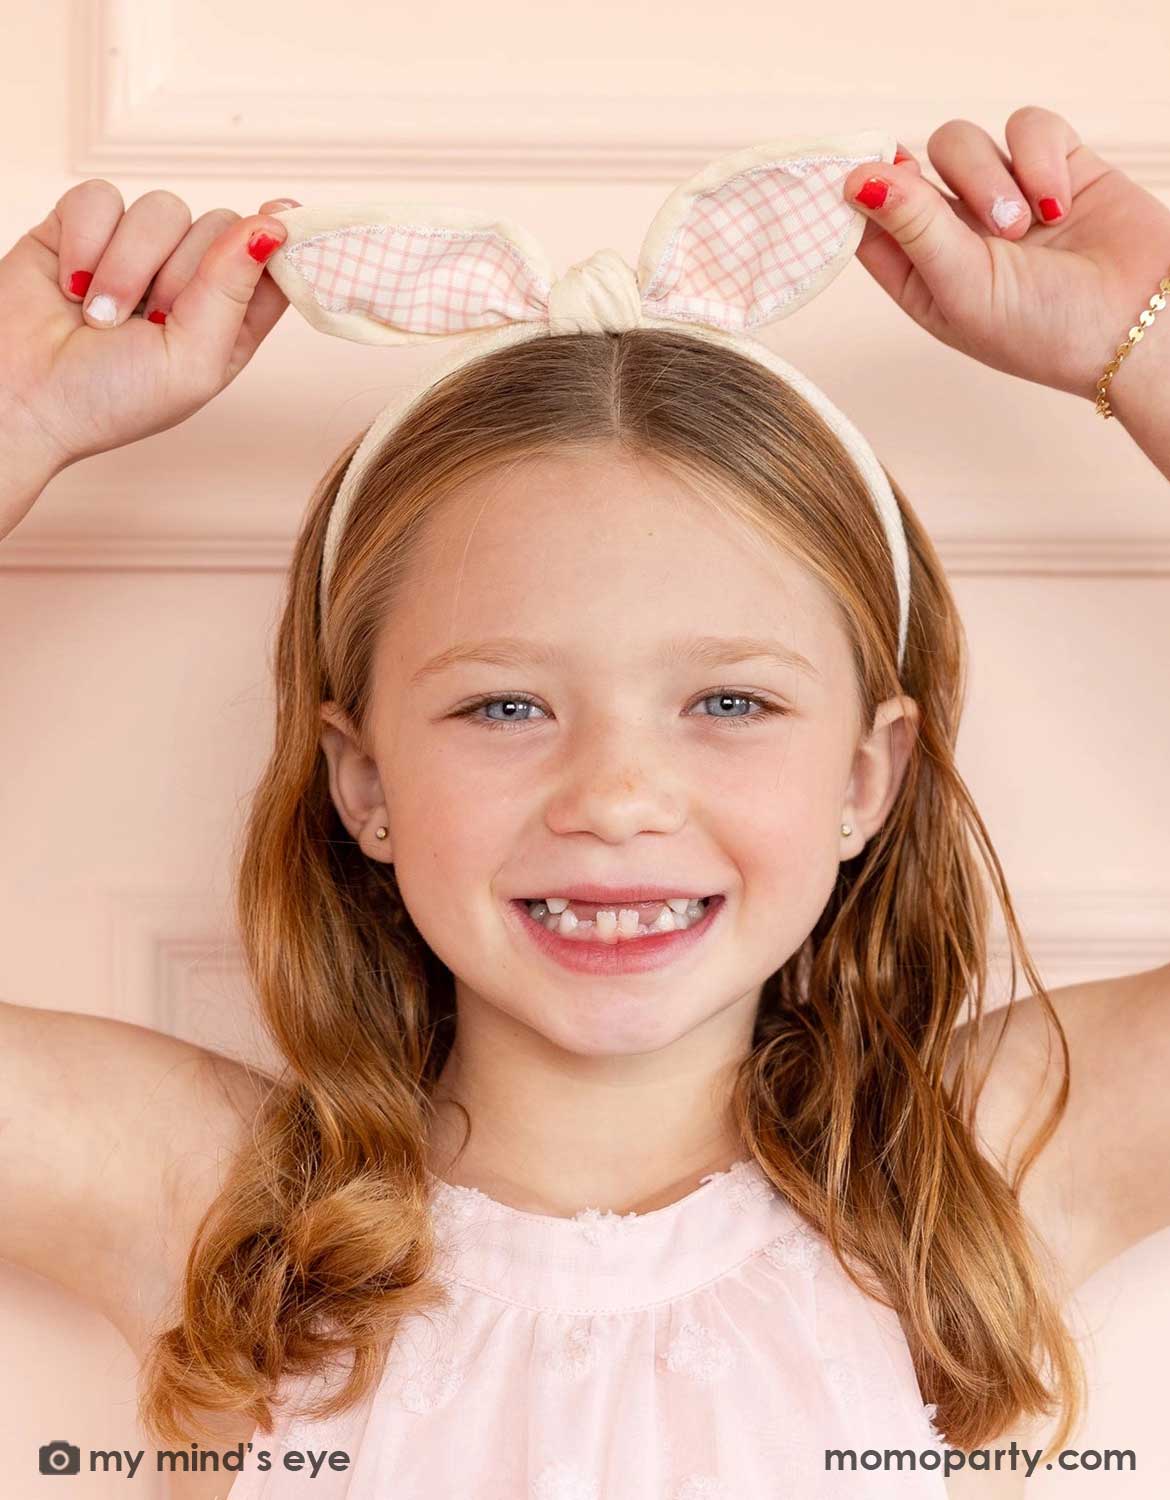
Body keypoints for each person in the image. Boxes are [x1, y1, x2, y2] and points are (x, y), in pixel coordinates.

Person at [1, 106, 1168, 1499]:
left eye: (728, 703)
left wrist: (1141, 339)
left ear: (868, 776)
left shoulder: (978, 1181)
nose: (614, 798)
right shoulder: (216, 1211)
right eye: (505, 706)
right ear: (362, 781)